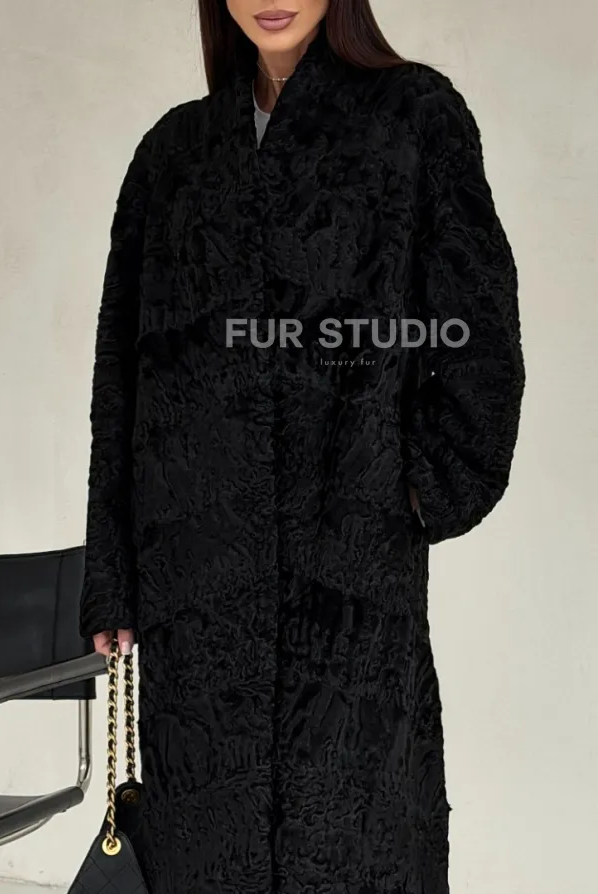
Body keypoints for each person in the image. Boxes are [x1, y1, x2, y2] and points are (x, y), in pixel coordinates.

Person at [79, 1, 525, 892]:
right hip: (194, 597)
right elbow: (120, 382)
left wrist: (407, 490)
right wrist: (114, 572)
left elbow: (479, 339)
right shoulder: (171, 155)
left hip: (351, 596)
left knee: (355, 842)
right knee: (203, 850)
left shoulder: (416, 119)